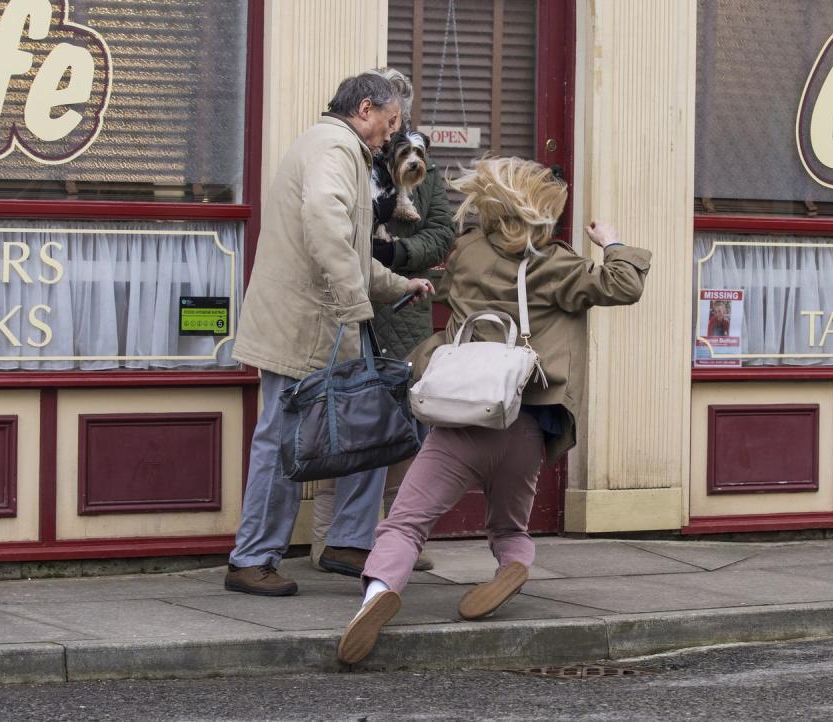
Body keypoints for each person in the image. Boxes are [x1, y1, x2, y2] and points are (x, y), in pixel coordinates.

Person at [336, 157, 652, 663]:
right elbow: (623, 285)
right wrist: (611, 241)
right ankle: (512, 565)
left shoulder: (466, 253)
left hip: (460, 419)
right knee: (509, 526)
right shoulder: (556, 265)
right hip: (523, 422)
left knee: (404, 524)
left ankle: (377, 596)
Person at [225, 73, 434, 597]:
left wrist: (396, 284)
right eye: (390, 124)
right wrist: (355, 302)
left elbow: (350, 249)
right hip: (304, 326)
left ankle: (347, 541)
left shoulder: (341, 150)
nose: (391, 137)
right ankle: (251, 558)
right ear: (365, 109)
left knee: (373, 424)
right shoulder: (334, 148)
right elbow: (325, 224)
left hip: (321, 323)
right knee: (280, 440)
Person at [310, 69, 454, 575]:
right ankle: (330, 541)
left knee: (406, 438)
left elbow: (442, 237)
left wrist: (395, 251)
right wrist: (367, 255)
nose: (396, 130)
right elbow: (336, 231)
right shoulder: (353, 160)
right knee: (347, 431)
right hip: (353, 313)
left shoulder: (427, 173)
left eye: (402, 118)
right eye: (391, 120)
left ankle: (397, 541)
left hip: (406, 318)